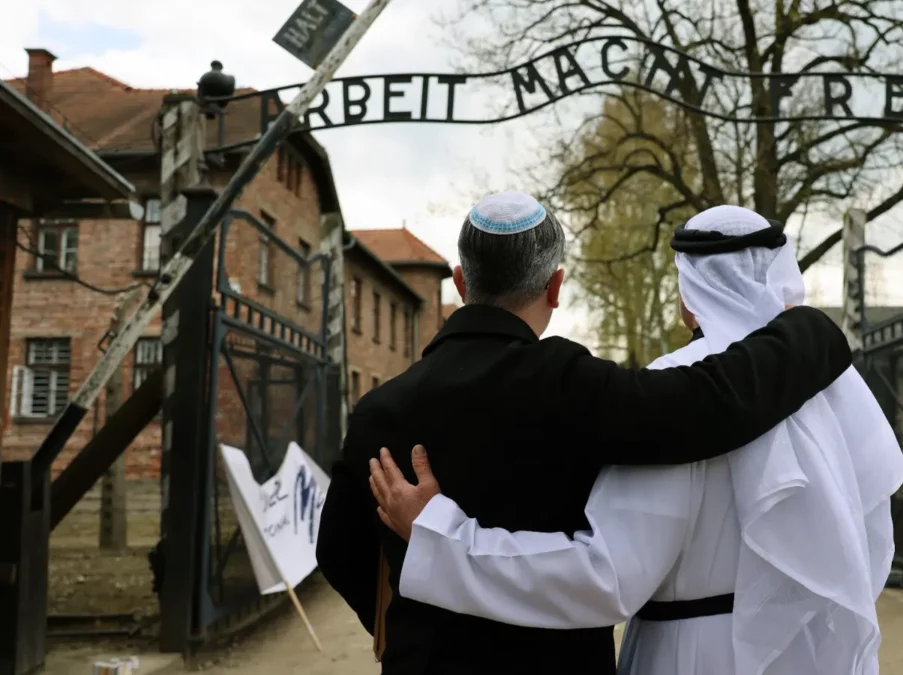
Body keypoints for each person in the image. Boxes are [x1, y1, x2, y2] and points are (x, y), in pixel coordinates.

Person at [315, 193, 853, 675]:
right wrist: (807, 329)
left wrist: (414, 622)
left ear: (460, 282)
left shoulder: (379, 410)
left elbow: (338, 550)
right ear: (555, 286)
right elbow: (706, 405)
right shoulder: (573, 384)